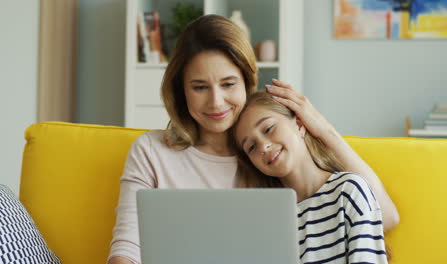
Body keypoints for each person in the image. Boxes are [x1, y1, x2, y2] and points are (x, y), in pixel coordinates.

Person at [108, 15, 398, 264]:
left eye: (228, 84)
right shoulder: (151, 151)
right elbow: (127, 250)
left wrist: (321, 128)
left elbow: (381, 214)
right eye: (199, 87)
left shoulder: (267, 161)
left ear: (247, 82)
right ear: (181, 90)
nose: (216, 102)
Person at [232, 91, 389, 263]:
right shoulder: (267, 218)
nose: (263, 146)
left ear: (299, 123)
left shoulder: (348, 191)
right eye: (251, 147)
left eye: (269, 129)